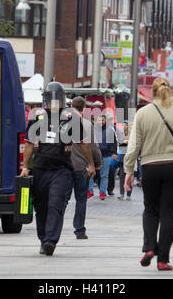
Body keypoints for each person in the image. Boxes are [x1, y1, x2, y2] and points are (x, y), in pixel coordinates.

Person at [124, 77, 173, 272]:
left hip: (150, 166)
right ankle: (163, 260)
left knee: (150, 209)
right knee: (168, 213)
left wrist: (128, 170)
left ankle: (149, 248)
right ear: (171, 91)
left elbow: (134, 145)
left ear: (152, 92)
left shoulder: (142, 113)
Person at [20, 82, 96, 256]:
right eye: (50, 99)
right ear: (45, 100)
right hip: (40, 168)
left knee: (56, 203)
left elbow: (82, 143)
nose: (54, 103)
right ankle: (43, 239)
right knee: (41, 206)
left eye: (57, 99)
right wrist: (25, 167)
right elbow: (30, 143)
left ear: (63, 100)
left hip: (61, 169)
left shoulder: (70, 117)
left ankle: (50, 241)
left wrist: (91, 163)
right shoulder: (36, 116)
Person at [65, 97, 102, 240]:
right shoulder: (87, 125)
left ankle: (54, 225)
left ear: (71, 105)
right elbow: (93, 148)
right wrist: (97, 164)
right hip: (82, 168)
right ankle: (79, 230)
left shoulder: (64, 123)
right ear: (84, 108)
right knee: (81, 199)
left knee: (63, 199)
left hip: (66, 167)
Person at [94, 114, 118, 200]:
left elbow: (114, 142)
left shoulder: (110, 130)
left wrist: (114, 153)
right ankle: (90, 190)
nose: (101, 122)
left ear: (105, 121)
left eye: (102, 120)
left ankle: (102, 192)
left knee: (105, 175)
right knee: (94, 174)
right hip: (95, 155)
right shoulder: (93, 129)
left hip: (106, 155)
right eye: (99, 120)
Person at [117, 123, 132, 200]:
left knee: (129, 176)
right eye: (123, 125)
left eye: (125, 125)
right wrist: (123, 142)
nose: (124, 126)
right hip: (122, 157)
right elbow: (119, 143)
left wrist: (128, 142)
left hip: (130, 157)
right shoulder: (121, 134)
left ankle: (129, 194)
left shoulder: (132, 134)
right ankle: (122, 193)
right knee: (122, 176)